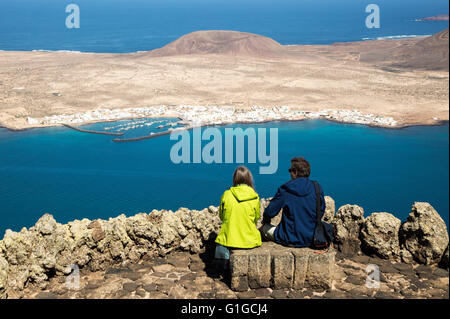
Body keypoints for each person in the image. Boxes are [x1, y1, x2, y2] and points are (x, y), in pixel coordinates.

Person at [261, 157, 325, 248]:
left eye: (290, 170)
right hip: (313, 237)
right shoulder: (317, 188)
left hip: (289, 238)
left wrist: (266, 220)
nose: (290, 173)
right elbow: (321, 211)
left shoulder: (286, 189)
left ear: (295, 172)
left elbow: (270, 211)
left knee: (263, 229)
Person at [214, 166, 262, 271]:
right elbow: (256, 218)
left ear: (235, 179)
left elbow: (222, 216)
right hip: (250, 240)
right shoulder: (255, 196)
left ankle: (222, 268)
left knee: (221, 242)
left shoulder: (226, 195)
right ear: (249, 179)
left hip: (230, 238)